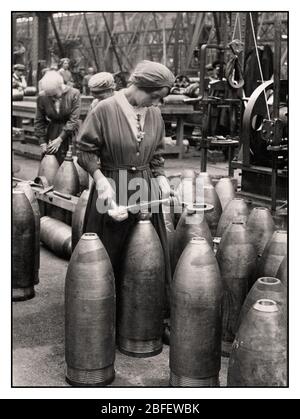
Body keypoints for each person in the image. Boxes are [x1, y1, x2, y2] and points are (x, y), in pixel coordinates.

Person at [76, 60, 175, 317]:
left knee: (146, 255)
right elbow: (85, 153)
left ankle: (142, 316)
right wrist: (100, 181)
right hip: (112, 183)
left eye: (160, 99)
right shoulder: (104, 110)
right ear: (138, 85)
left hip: (143, 186)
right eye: (154, 96)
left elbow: (157, 155)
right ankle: (105, 317)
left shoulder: (153, 113)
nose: (156, 103)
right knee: (111, 251)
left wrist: (161, 177)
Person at [34, 71, 81, 165]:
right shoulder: (42, 97)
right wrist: (42, 142)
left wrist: (60, 139)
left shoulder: (74, 93)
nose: (52, 99)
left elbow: (73, 120)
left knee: (69, 166)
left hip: (69, 134)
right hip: (52, 131)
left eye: (54, 95)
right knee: (50, 165)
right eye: (49, 96)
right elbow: (39, 120)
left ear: (61, 87)